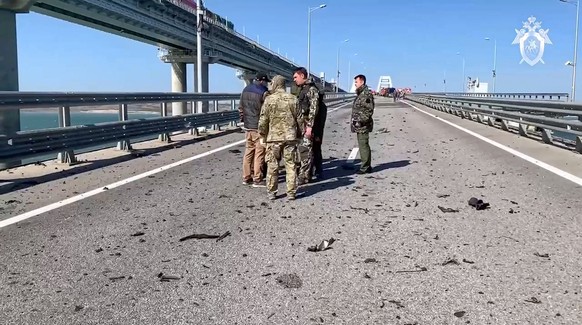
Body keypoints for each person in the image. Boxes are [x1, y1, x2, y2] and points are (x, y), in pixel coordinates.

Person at [258, 75, 303, 201]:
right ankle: (291, 192)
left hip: (274, 139)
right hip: (290, 137)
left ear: (275, 84)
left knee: (272, 166)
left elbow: (263, 120)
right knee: (291, 165)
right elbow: (300, 120)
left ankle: (272, 192)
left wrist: (262, 134)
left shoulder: (269, 100)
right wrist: (300, 134)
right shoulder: (293, 99)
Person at [292, 67, 327, 184]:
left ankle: (305, 176)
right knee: (311, 149)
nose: (294, 80)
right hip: (305, 124)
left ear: (302, 76)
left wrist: (310, 127)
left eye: (296, 77)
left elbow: (313, 109)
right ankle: (315, 172)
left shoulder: (311, 89)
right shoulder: (303, 89)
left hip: (310, 125)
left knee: (306, 150)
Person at [238, 72, 270, 187]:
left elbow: (240, 108)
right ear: (262, 81)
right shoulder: (264, 92)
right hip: (258, 128)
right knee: (259, 154)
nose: (267, 84)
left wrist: (244, 120)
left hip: (248, 127)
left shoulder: (245, 89)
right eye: (266, 81)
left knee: (248, 153)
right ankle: (257, 178)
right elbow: (266, 112)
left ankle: (246, 177)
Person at [351, 74, 375, 174]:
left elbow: (369, 110)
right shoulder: (361, 93)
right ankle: (366, 165)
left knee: (363, 145)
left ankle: (365, 167)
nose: (355, 84)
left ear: (362, 82)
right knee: (363, 145)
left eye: (356, 82)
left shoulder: (365, 94)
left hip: (363, 125)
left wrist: (360, 121)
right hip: (359, 125)